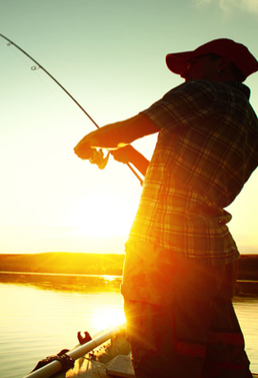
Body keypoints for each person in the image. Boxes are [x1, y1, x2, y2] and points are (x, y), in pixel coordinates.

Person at [74, 38, 258, 378]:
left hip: (165, 254)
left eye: (193, 64)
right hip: (215, 257)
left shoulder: (204, 92)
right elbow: (187, 189)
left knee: (162, 360)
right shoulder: (250, 122)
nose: (185, 74)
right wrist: (131, 156)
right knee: (217, 359)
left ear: (220, 65)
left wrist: (89, 141)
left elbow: (132, 128)